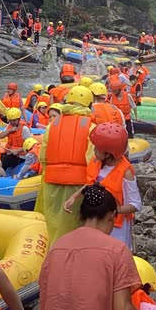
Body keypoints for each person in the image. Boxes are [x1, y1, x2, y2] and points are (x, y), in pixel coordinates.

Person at [34, 85, 95, 246]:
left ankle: (52, 252)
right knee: (73, 226)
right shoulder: (90, 127)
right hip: (77, 186)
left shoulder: (52, 125)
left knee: (53, 225)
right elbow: (92, 159)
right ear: (89, 104)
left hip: (51, 183)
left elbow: (43, 156)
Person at [83, 122, 141, 250]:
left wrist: (111, 210)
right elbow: (89, 185)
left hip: (116, 228)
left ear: (109, 153)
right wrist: (73, 198)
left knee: (112, 252)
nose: (94, 150)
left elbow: (136, 204)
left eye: (97, 149)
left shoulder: (126, 173)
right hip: (95, 221)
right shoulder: (97, 163)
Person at [0, 107, 33, 172]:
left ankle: (1, 175)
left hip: (21, 156)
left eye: (14, 120)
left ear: (18, 119)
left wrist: (17, 151)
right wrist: (9, 131)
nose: (12, 122)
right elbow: (1, 136)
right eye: (10, 120)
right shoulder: (9, 126)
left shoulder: (24, 129)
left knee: (5, 162)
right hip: (11, 153)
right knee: (0, 157)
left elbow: (29, 146)